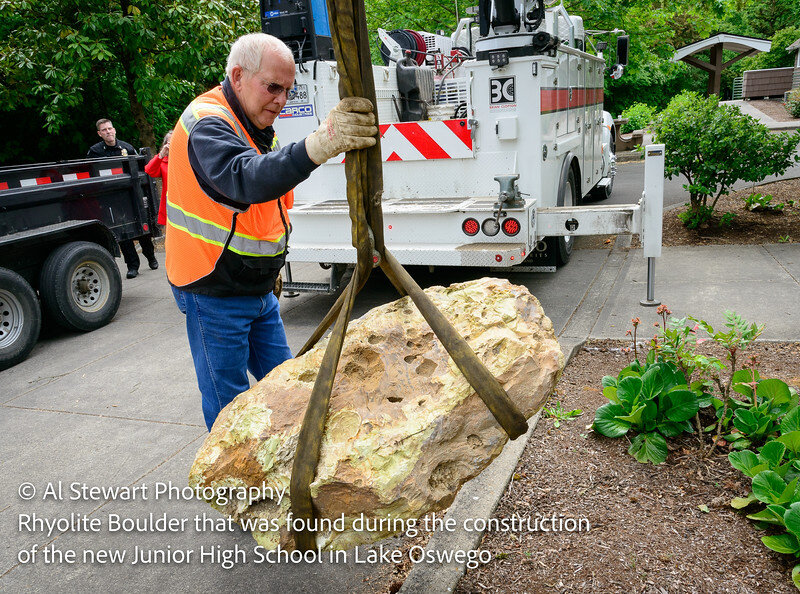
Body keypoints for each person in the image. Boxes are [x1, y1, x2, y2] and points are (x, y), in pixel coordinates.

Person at [166, 32, 377, 431]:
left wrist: (273, 268)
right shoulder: (207, 123)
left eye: (288, 90)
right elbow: (247, 179)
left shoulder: (255, 126)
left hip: (257, 288)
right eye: (273, 87)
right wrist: (321, 143)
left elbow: (269, 210)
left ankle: (283, 471)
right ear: (238, 75)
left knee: (288, 391)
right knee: (229, 408)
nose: (281, 99)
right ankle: (234, 490)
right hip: (212, 290)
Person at [87, 118, 158, 278]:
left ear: (115, 130)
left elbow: (142, 170)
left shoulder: (126, 148)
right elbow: (92, 175)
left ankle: (151, 258)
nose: (108, 132)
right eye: (104, 130)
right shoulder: (95, 152)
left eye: (110, 128)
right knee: (124, 234)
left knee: (142, 230)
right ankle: (133, 266)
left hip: (132, 197)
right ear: (99, 133)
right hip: (112, 200)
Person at [144, 131, 172, 226]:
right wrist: (161, 155)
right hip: (173, 205)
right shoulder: (163, 162)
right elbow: (149, 170)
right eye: (170, 143)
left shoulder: (189, 158)